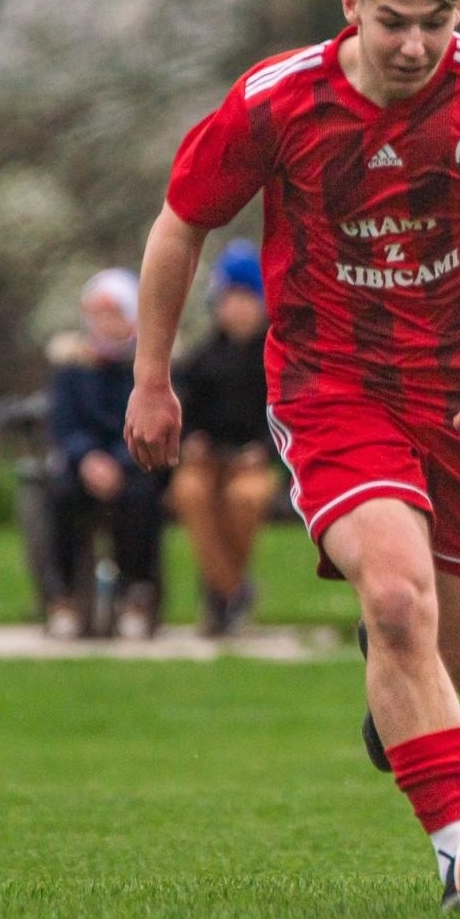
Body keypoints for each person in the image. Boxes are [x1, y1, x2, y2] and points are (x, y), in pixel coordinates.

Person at [122, 0, 460, 911]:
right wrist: (152, 375)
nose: (414, 45)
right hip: (333, 387)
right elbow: (179, 222)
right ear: (350, 1)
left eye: (436, 23)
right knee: (396, 597)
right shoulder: (276, 101)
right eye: (394, 21)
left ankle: (398, 684)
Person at [45, 267, 166, 639]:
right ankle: (61, 596)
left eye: (113, 313)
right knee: (60, 494)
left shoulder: (147, 369)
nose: (103, 323)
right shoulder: (72, 369)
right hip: (84, 467)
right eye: (97, 314)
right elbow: (64, 425)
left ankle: (137, 594)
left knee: (141, 500)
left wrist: (120, 461)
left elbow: (151, 422)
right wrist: (89, 460)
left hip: (133, 463)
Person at [167, 240, 278, 636]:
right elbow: (185, 408)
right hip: (209, 461)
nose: (236, 308)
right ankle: (235, 590)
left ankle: (221, 593)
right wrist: (192, 437)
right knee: (190, 494)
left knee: (244, 499)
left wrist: (265, 448)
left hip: (254, 461)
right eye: (228, 298)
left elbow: (290, 413)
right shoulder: (201, 359)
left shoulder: (278, 356)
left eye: (245, 297)